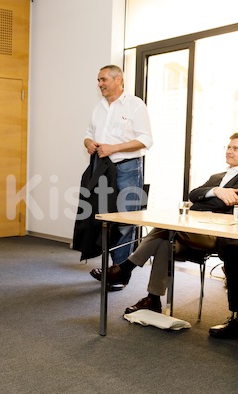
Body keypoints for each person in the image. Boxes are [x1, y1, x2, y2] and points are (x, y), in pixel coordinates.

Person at [91, 133, 238, 337]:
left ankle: (127, 267)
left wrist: (212, 197)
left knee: (165, 229)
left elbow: (209, 203)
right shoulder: (218, 177)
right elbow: (193, 195)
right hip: (192, 230)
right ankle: (152, 299)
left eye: (235, 149)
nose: (229, 151)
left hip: (216, 235)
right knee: (164, 242)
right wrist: (216, 191)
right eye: (229, 147)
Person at [75, 65, 153, 267]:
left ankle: (119, 271)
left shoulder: (135, 105)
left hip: (128, 168)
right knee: (103, 219)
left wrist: (114, 148)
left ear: (119, 80)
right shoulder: (98, 107)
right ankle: (109, 268)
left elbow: (146, 140)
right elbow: (88, 134)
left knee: (125, 222)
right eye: (98, 80)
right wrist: (88, 143)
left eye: (103, 80)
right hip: (101, 170)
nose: (100, 84)